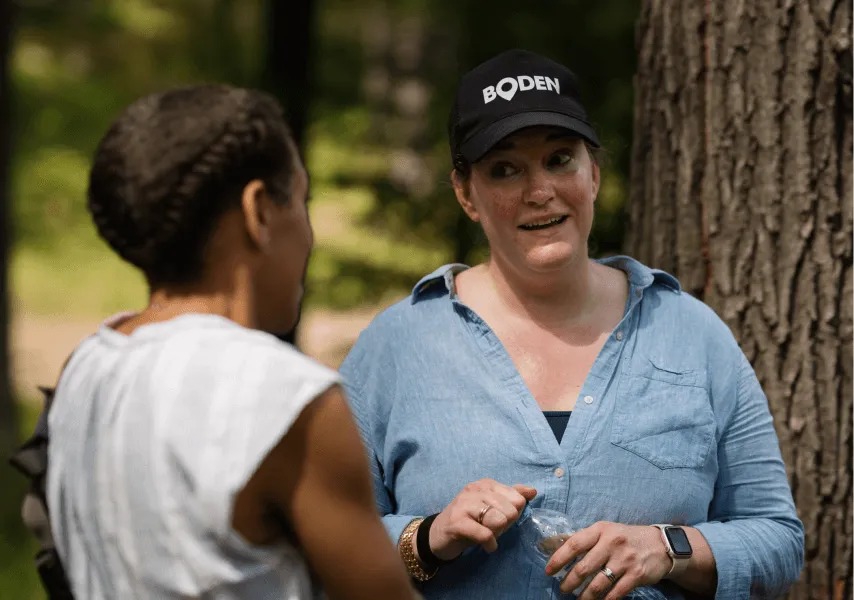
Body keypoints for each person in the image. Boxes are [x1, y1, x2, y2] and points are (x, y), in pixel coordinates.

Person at [339, 49, 804, 599]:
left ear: (594, 173)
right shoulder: (396, 346)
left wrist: (668, 547)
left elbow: (778, 539)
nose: (540, 191)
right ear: (466, 193)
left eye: (560, 159)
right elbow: (329, 539)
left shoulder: (690, 333)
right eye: (505, 169)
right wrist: (426, 537)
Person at [45, 84, 419, 600]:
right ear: (259, 210)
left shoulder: (86, 366)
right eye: (303, 200)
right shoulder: (286, 399)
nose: (309, 234)